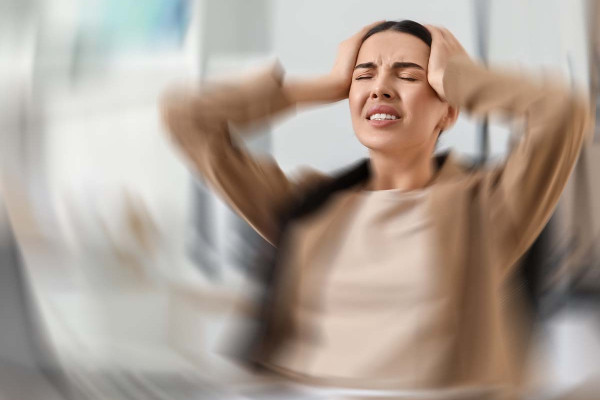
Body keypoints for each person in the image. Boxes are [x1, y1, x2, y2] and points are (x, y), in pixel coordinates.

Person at [160, 20, 590, 400]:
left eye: (408, 75)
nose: (380, 88)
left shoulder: (488, 209)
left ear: (448, 109)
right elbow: (186, 119)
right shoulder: (308, 207)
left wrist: (457, 76)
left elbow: (562, 114)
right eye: (364, 75)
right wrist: (320, 85)